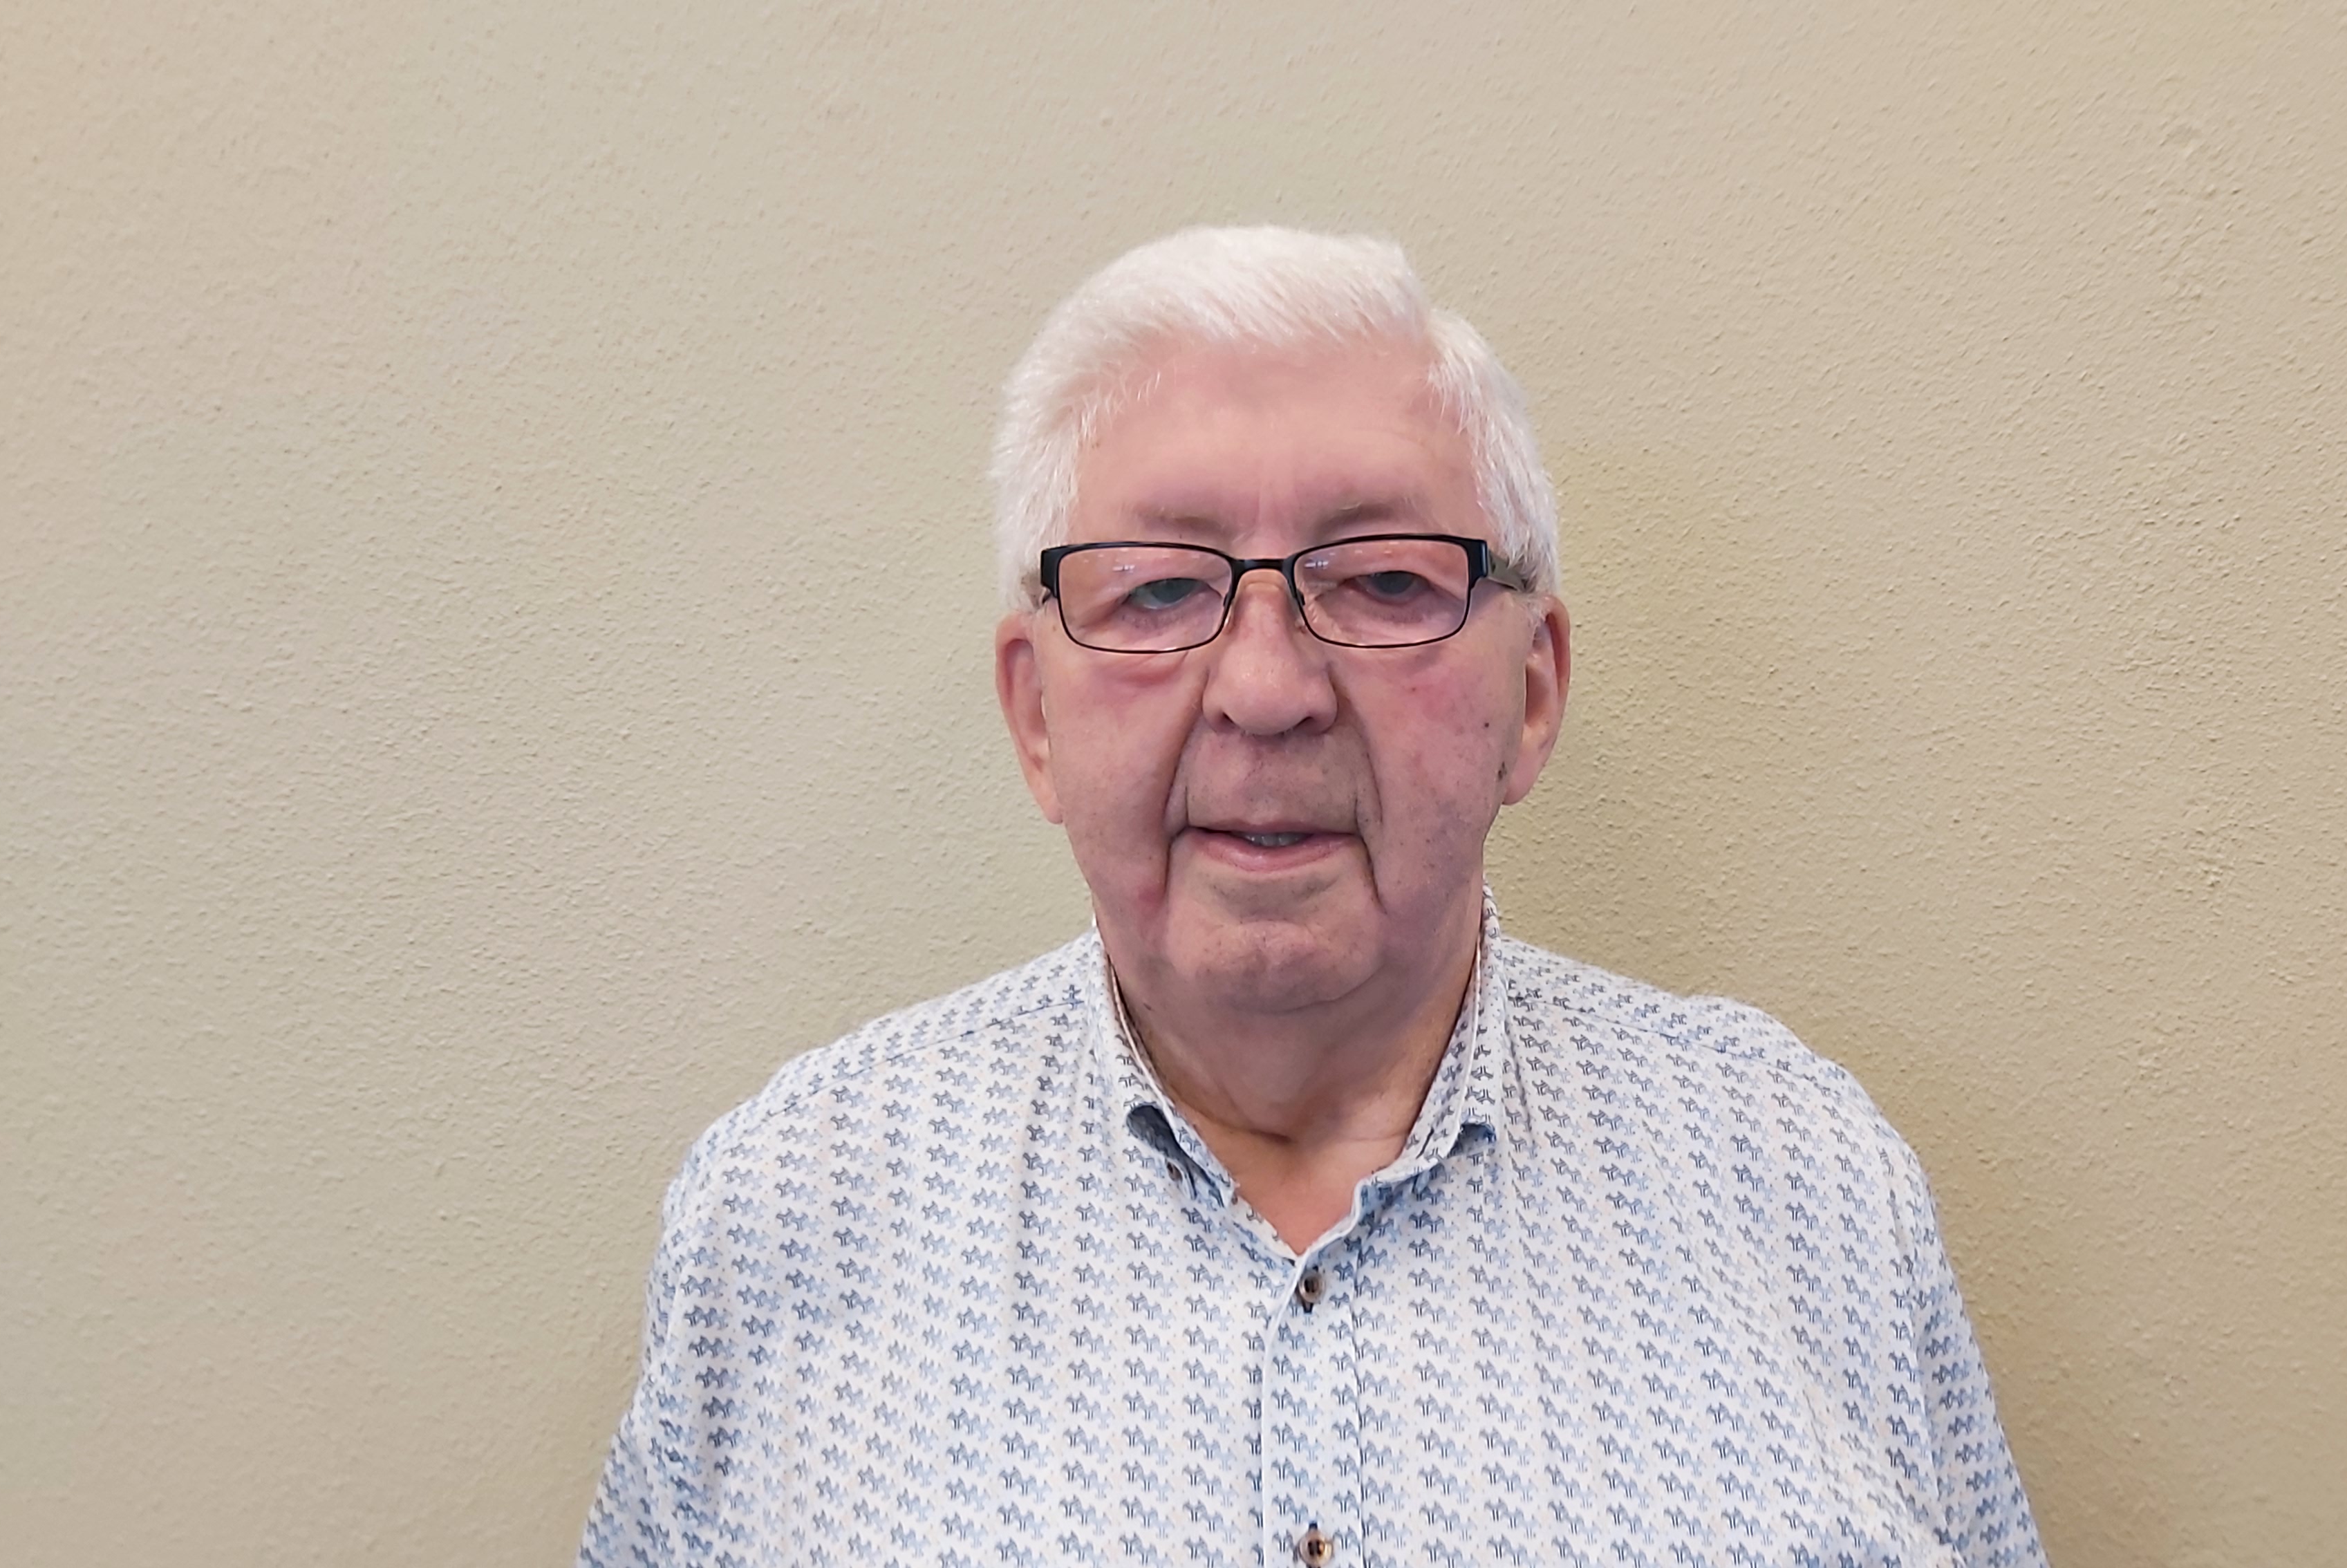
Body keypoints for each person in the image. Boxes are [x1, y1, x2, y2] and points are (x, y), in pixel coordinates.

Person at [580, 226, 2046, 1567]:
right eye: (1159, 590)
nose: (1269, 691)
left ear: (1534, 693)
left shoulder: (1807, 1184)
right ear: (1035, 716)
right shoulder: (791, 1211)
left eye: (1386, 582)